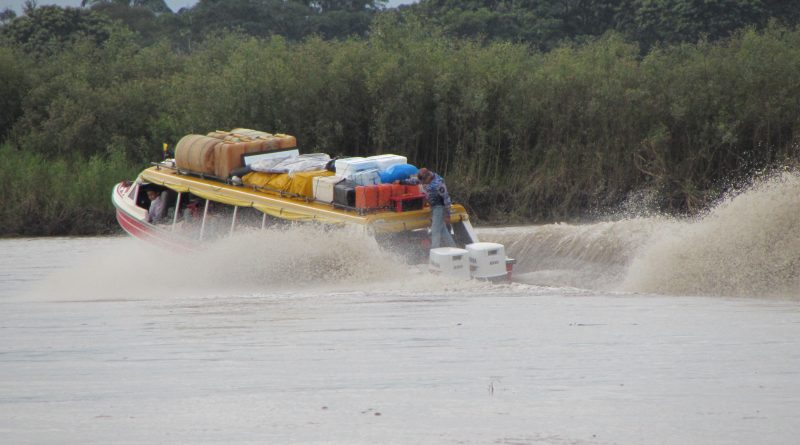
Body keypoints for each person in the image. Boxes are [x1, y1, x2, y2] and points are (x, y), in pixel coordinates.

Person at [403, 167, 456, 249]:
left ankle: (435, 251)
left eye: (424, 182)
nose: (423, 183)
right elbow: (416, 181)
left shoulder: (439, 184)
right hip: (433, 207)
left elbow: (446, 199)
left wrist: (447, 215)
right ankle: (453, 248)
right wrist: (402, 182)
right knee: (442, 230)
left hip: (440, 207)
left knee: (435, 230)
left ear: (429, 177)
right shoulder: (425, 178)